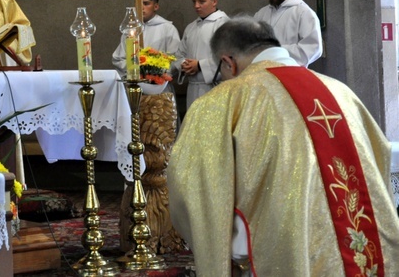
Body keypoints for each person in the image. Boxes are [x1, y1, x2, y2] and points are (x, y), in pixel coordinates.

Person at [167, 16, 399, 276]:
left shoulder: (224, 101)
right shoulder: (342, 93)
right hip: (365, 257)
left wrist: (232, 251)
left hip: (276, 259)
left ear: (227, 62)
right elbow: (380, 163)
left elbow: (190, 190)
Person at [172, 0, 228, 111]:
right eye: (194, 1)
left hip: (214, 88)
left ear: (214, 1)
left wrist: (199, 65)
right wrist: (184, 64)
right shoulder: (191, 27)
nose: (196, 6)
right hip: (192, 88)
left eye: (201, 1)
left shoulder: (224, 25)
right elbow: (179, 54)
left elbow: (229, 58)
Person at [253, 0, 323, 66]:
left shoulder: (303, 12)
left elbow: (312, 48)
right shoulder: (261, 14)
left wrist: (273, 50)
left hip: (291, 74)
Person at [112, 0, 180, 78]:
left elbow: (175, 59)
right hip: (134, 81)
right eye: (138, 4)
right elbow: (118, 58)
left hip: (159, 84)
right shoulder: (130, 30)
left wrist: (153, 72)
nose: (141, 8)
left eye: (146, 3)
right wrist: (137, 68)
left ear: (156, 6)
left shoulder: (168, 29)